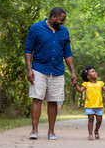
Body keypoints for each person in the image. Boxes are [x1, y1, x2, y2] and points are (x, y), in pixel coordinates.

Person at [25, 7, 77, 140]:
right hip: (39, 69)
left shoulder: (64, 31)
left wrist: (73, 72)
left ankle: (51, 131)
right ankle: (34, 130)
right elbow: (28, 50)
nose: (63, 23)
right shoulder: (36, 28)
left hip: (58, 70)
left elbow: (67, 53)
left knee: (53, 100)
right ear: (53, 17)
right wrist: (29, 69)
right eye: (62, 20)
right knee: (37, 99)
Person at [74, 66, 105, 140]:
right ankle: (90, 134)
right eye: (92, 71)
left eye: (95, 71)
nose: (95, 72)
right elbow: (80, 90)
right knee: (90, 120)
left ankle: (96, 131)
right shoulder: (86, 84)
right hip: (89, 106)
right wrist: (76, 85)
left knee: (99, 120)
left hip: (99, 106)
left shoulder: (100, 83)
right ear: (88, 76)